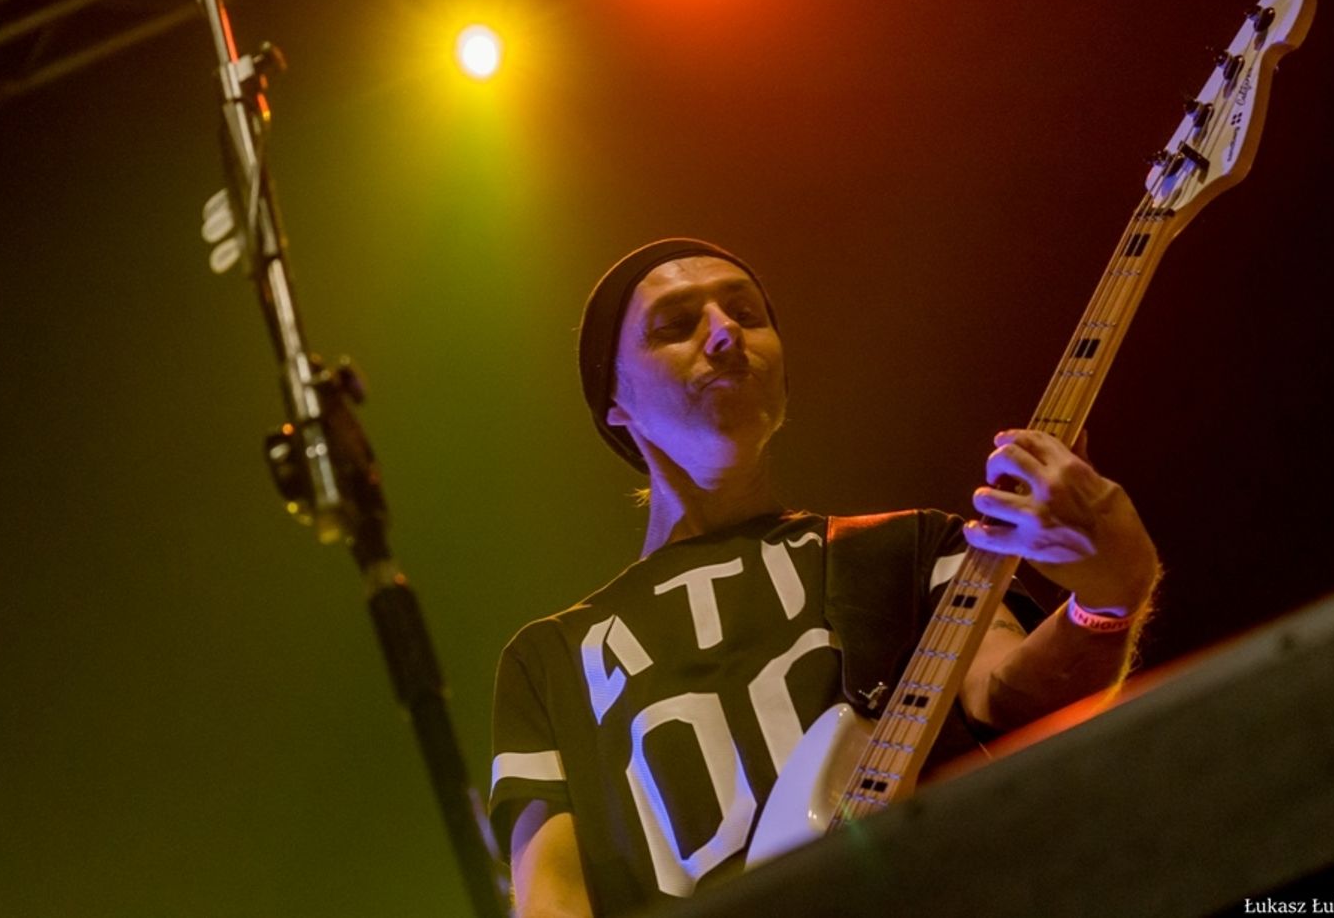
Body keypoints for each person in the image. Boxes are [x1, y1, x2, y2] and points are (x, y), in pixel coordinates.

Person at [488, 239, 1160, 918]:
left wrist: (1109, 598)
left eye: (747, 314)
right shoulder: (548, 660)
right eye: (677, 324)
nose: (724, 333)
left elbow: (1007, 698)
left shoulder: (909, 547)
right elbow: (552, 902)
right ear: (614, 401)